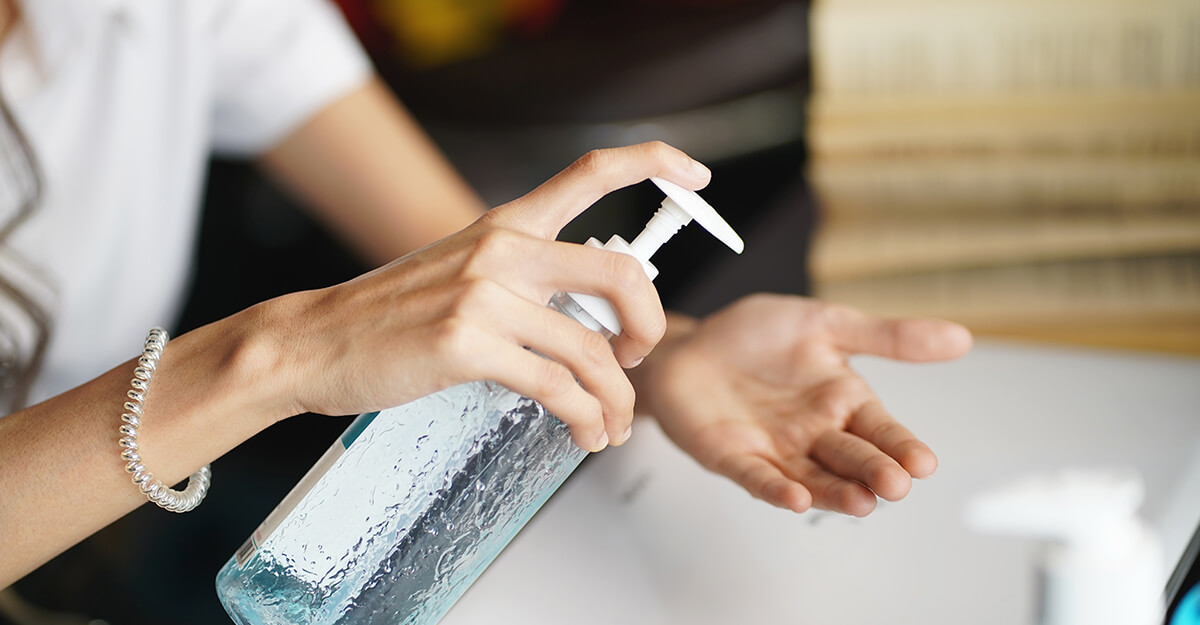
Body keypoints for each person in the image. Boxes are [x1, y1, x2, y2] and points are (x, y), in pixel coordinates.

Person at [0, 0, 972, 591]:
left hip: (125, 543)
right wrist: (270, 358)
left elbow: (443, 235)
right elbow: (300, 351)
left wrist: (662, 344)